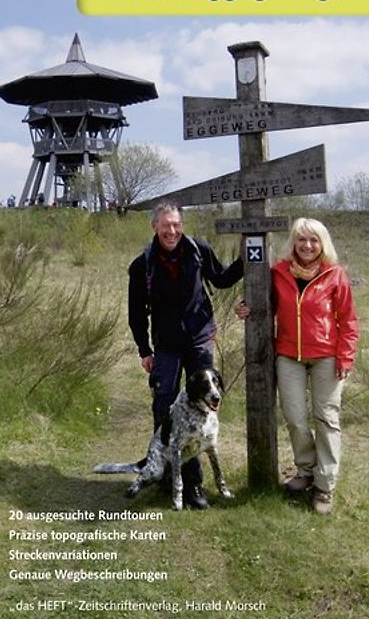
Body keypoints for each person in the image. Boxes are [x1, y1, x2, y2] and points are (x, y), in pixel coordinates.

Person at [236, 217, 359, 515]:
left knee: (326, 419)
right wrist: (246, 307)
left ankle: (324, 486)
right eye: (301, 239)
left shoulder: (334, 274)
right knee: (295, 417)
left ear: (322, 243)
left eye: (313, 240)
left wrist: (345, 356)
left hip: (327, 357)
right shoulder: (278, 272)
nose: (307, 245)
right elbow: (265, 305)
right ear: (294, 242)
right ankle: (305, 471)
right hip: (289, 354)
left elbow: (348, 320)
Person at [128, 201, 243, 509]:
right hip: (165, 345)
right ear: (155, 227)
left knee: (203, 407)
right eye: (166, 225)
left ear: (182, 225)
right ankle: (165, 473)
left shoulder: (198, 249)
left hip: (199, 338)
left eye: (176, 224)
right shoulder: (143, 265)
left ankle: (193, 486)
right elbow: (136, 313)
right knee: (164, 404)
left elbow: (221, 279)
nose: (172, 230)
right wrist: (144, 350)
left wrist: (250, 253)